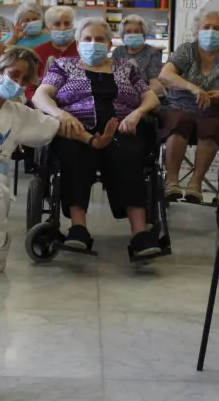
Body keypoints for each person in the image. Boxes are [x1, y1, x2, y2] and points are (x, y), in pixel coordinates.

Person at [0, 35, 116, 272]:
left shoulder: (19, 113)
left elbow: (59, 128)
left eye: (25, 79)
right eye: (14, 74)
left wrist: (93, 141)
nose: (18, 83)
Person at [32, 17, 162, 256]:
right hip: (77, 131)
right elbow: (40, 96)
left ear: (110, 44)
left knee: (130, 154)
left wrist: (137, 113)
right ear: (78, 44)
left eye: (100, 39)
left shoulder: (126, 66)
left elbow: (150, 97)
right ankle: (78, 228)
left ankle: (140, 232)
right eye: (88, 39)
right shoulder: (64, 66)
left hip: (121, 129)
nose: (94, 44)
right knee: (72, 154)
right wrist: (61, 114)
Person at [158, 9, 219, 203]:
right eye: (206, 27)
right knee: (179, 120)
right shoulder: (186, 50)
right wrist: (193, 88)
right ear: (197, 30)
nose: (211, 32)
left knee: (212, 126)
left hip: (216, 110)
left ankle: (196, 183)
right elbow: (165, 75)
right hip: (181, 105)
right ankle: (172, 182)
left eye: (217, 28)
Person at [110, 14, 166, 96]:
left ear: (143, 34)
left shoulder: (152, 52)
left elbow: (155, 84)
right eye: (128, 32)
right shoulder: (118, 51)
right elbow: (112, 79)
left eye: (136, 31)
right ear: (123, 35)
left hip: (146, 96)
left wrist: (138, 98)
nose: (132, 34)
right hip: (121, 96)